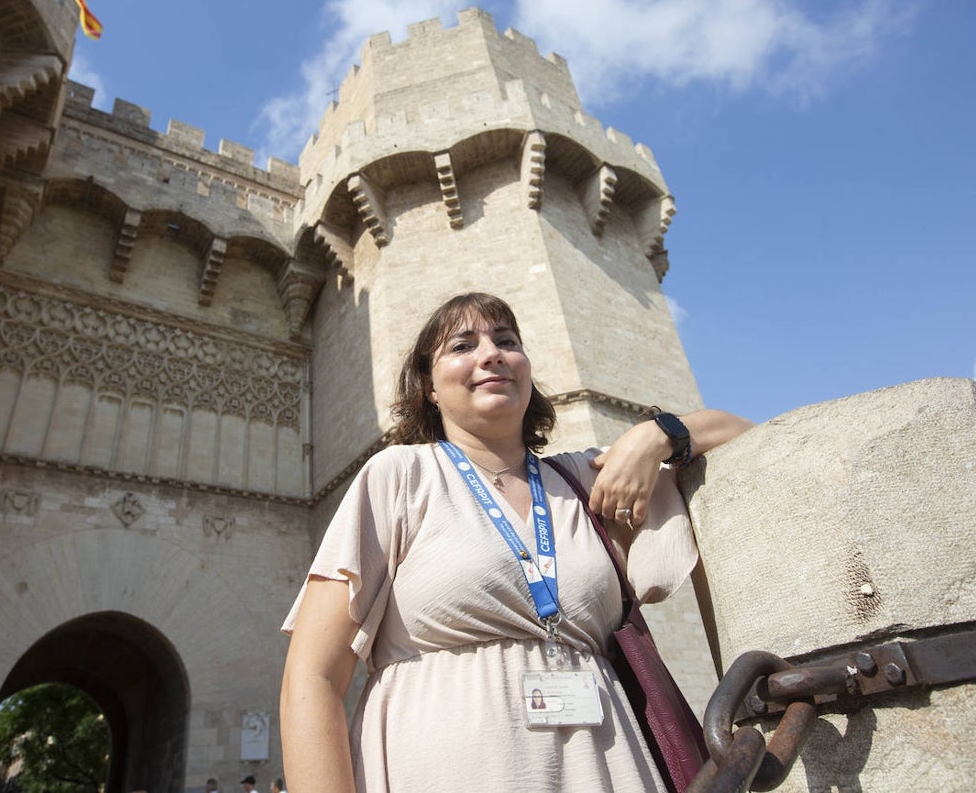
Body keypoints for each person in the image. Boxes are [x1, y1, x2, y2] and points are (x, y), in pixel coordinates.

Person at [280, 292, 755, 792]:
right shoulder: (400, 476)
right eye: (463, 346)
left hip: (605, 767)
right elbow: (312, 676)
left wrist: (655, 436)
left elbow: (748, 435)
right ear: (430, 388)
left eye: (506, 341)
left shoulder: (585, 481)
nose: (491, 354)